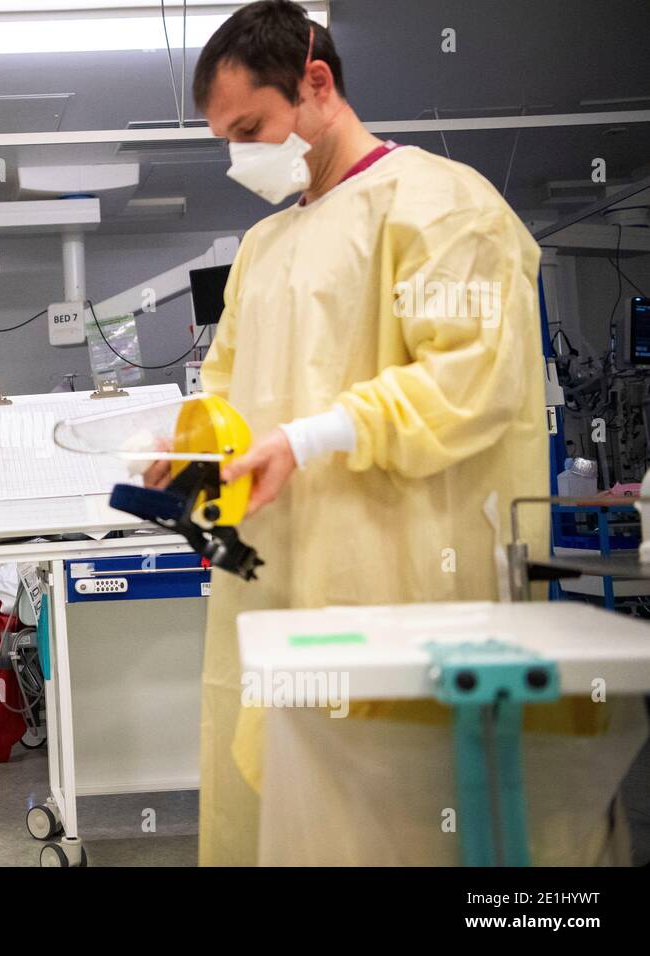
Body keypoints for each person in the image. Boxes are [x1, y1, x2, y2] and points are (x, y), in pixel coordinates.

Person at [178, 0, 566, 864]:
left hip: (403, 579)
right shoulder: (263, 247)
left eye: (253, 128)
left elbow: (472, 382)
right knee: (286, 812)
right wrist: (193, 458)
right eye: (227, 140)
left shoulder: (443, 207)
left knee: (394, 825)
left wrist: (312, 438)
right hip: (275, 577)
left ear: (316, 82)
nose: (242, 156)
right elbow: (228, 391)